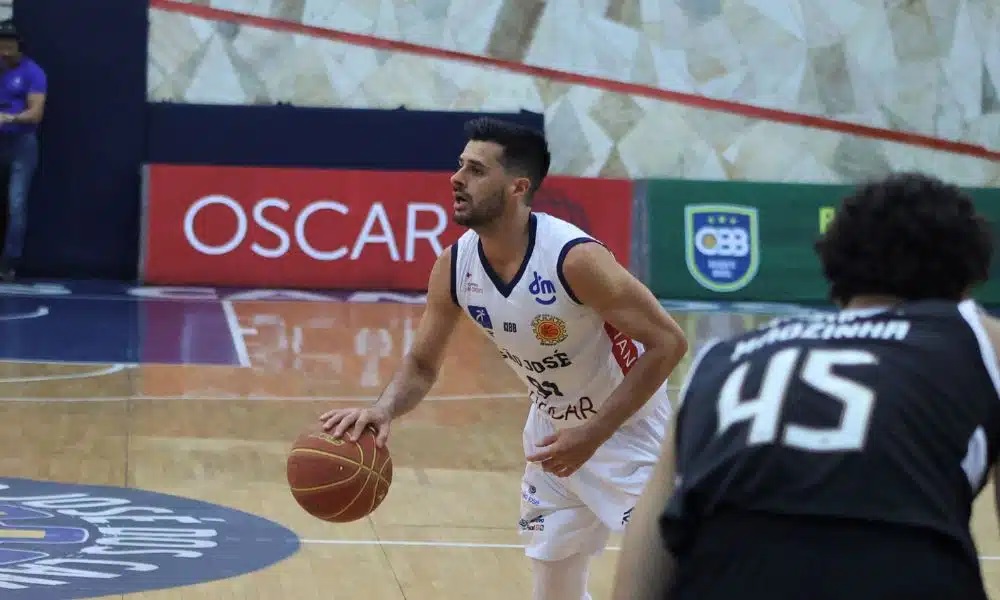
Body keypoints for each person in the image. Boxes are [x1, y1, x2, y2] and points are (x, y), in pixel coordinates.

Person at [320, 117, 689, 600]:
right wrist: (382, 409)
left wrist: (595, 432)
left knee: (671, 580)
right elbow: (422, 364)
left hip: (629, 433)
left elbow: (669, 342)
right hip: (552, 436)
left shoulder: (575, 260)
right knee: (552, 590)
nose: (456, 178)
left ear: (518, 186)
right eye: (460, 166)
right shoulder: (454, 266)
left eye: (475, 169)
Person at [611, 172, 999, 600]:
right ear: (967, 281)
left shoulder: (721, 359)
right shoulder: (980, 337)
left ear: (836, 269)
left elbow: (642, 564)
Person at [0, 19, 45, 281]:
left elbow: (36, 113)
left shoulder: (33, 73)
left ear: (19, 46)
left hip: (21, 144)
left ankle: (8, 263)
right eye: (1, 44)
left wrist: (9, 118)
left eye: (8, 44)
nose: (4, 50)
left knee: (16, 204)